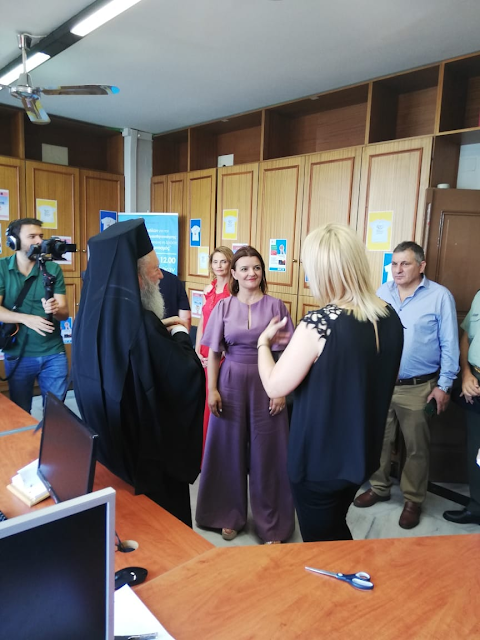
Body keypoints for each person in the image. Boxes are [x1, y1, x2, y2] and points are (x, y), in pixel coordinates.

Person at [257, 224, 404, 542]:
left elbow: (274, 386)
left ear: (325, 271)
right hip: (360, 454)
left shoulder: (320, 322)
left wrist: (263, 344)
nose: (308, 277)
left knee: (322, 543)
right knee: (334, 525)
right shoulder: (390, 317)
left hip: (319, 462)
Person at [73, 219, 205, 527]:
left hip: (109, 451)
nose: (161, 276)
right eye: (154, 269)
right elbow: (187, 377)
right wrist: (180, 334)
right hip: (148, 460)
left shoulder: (90, 315)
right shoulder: (142, 325)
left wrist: (160, 329)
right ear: (135, 276)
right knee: (166, 530)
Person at [354, 241, 459, 529]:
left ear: (421, 266)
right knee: (378, 439)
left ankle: (413, 499)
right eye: (394, 263)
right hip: (382, 383)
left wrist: (444, 385)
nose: (398, 269)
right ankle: (379, 487)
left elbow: (450, 344)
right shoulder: (382, 292)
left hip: (419, 387)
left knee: (416, 447)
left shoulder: (439, 296)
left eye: (405, 263)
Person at [195, 245, 295, 544]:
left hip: (268, 382)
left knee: (270, 453)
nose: (252, 273)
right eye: (245, 268)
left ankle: (272, 524)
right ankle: (227, 514)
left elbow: (286, 355)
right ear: (235, 274)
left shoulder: (277, 306)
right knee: (227, 450)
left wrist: (281, 390)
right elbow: (214, 352)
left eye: (256, 268)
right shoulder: (223, 307)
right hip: (230, 382)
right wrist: (212, 389)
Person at [0, 218, 69, 413]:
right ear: (14, 241)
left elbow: (64, 314)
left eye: (40, 236)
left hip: (54, 353)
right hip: (18, 355)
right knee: (21, 412)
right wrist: (26, 319)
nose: (39, 241)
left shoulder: (52, 268)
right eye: (32, 236)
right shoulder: (2, 268)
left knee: (56, 413)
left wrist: (55, 309)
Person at [444, 290, 480, 525]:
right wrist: (466, 374)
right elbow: (466, 338)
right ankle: (477, 507)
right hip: (475, 381)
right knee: (476, 448)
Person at [194, 246, 233, 455]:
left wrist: (221, 353)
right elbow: (202, 321)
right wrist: (196, 349)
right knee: (201, 398)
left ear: (230, 263)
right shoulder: (208, 288)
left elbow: (233, 327)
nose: (219, 266)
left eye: (223, 261)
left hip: (221, 350)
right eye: (215, 262)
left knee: (215, 400)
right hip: (204, 348)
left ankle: (213, 454)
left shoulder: (234, 291)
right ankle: (202, 450)